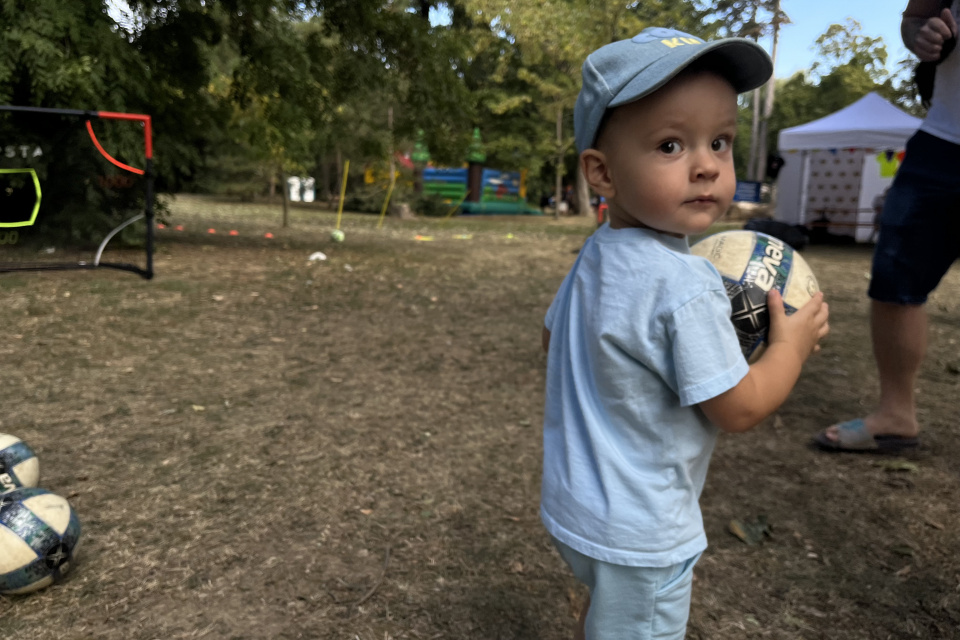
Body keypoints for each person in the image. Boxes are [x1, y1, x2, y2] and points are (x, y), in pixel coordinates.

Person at [540, 27, 830, 640]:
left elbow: (553, 343)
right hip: (642, 533)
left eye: (720, 142)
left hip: (576, 506)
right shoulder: (688, 286)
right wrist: (789, 347)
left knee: (614, 613)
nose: (705, 165)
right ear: (603, 172)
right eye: (671, 144)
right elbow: (739, 407)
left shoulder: (595, 256)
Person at [814, 0, 959, 453]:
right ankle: (897, 414)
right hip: (942, 144)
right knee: (895, 279)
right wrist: (922, 34)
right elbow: (914, 19)